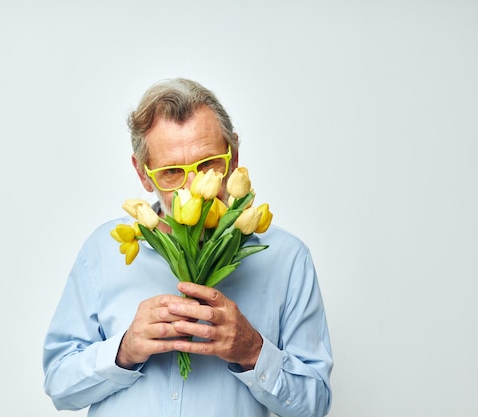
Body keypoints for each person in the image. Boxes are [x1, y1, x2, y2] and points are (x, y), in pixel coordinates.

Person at [43, 78, 333, 417]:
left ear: (234, 156)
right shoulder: (102, 251)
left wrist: (253, 351)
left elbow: (314, 405)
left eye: (209, 164)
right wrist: (124, 350)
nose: (194, 188)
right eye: (170, 172)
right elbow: (59, 385)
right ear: (143, 174)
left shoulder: (287, 259)